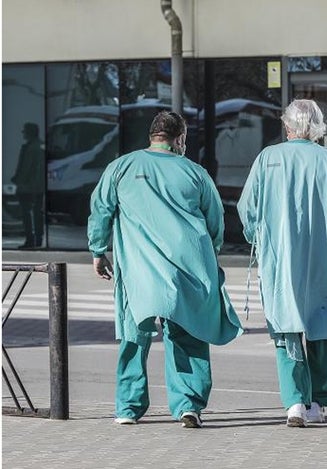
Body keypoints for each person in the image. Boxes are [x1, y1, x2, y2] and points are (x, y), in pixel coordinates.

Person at [87, 111, 243, 429]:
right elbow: (215, 223)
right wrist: (211, 256)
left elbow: (100, 209)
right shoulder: (195, 173)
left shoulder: (121, 168)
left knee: (134, 338)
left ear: (152, 136)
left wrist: (98, 250)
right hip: (187, 269)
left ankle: (128, 408)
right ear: (180, 138)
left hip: (138, 272)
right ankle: (188, 405)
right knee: (188, 336)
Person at [237, 99, 327, 427]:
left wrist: (258, 237)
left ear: (287, 126)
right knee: (321, 326)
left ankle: (294, 402)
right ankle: (318, 403)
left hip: (278, 257)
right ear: (317, 127)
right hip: (321, 256)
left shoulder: (268, 159)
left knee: (285, 328)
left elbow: (247, 209)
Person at [12, 122, 45, 248]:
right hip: (39, 186)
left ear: (29, 132)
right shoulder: (41, 146)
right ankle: (38, 238)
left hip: (28, 187)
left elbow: (26, 168)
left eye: (24, 131)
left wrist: (17, 180)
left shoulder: (30, 148)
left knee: (27, 214)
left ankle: (30, 239)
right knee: (37, 213)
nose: (23, 133)